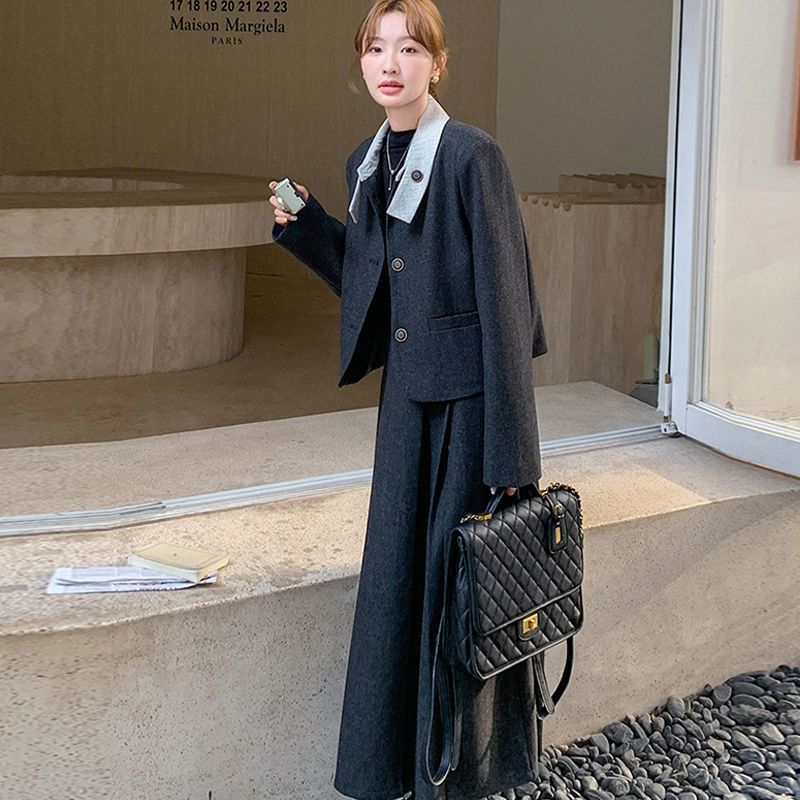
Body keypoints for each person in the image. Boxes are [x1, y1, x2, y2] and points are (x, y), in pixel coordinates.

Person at [268, 2, 548, 798]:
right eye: (376, 49)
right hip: (405, 411)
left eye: (409, 48)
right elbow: (375, 288)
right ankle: (389, 769)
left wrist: (514, 457)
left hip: (467, 411)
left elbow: (507, 305)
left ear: (437, 63)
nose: (390, 64)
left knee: (457, 595)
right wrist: (309, 227)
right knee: (396, 586)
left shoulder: (470, 156)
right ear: (361, 63)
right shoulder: (366, 160)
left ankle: (457, 780)